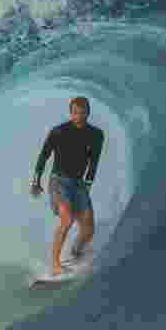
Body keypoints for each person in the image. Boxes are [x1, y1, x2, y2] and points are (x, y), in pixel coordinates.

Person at [30, 96, 105, 276]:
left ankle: (76, 252)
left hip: (79, 184)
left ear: (88, 113)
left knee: (88, 229)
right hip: (59, 181)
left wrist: (88, 182)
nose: (79, 116)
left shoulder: (96, 135)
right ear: (70, 113)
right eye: (75, 113)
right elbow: (43, 156)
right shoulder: (58, 132)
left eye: (83, 113)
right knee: (67, 219)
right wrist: (36, 180)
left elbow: (94, 161)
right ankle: (55, 265)